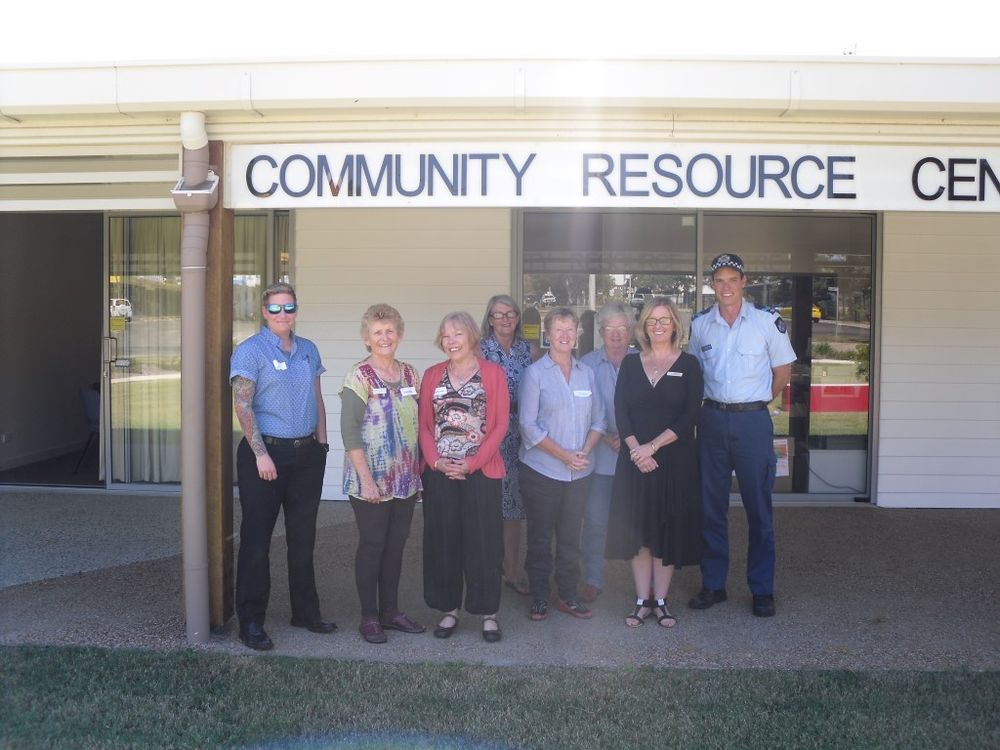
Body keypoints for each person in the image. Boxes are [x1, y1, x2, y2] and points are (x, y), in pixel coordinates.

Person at [688, 253, 796, 618]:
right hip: (713, 421)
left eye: (732, 279)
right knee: (710, 508)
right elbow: (694, 374)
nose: (726, 286)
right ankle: (714, 584)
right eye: (719, 280)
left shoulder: (767, 322)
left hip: (752, 423)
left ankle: (762, 589)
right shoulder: (701, 325)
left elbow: (782, 371)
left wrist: (760, 402)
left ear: (744, 282)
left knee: (759, 509)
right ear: (712, 285)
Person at [230, 282, 335, 651]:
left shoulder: (308, 350)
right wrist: (260, 454)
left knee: (303, 538)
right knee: (257, 542)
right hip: (265, 456)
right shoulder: (250, 351)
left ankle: (306, 612)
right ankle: (251, 621)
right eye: (275, 309)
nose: (282, 315)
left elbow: (317, 398)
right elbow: (243, 406)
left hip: (307, 456)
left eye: (288, 308)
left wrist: (322, 444)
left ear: (296, 309)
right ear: (263, 312)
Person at [605, 298, 703, 628]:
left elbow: (690, 414)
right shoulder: (632, 364)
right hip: (635, 462)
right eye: (651, 321)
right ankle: (641, 600)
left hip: (673, 462)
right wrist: (636, 450)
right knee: (639, 532)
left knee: (665, 530)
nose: (658, 326)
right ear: (644, 327)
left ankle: (661, 600)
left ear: (676, 324)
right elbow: (621, 410)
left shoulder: (688, 365)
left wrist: (652, 447)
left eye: (664, 320)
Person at [418, 312, 510, 643]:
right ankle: (449, 609)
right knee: (444, 540)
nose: (451, 341)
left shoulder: (493, 373)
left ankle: (488, 613)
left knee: (484, 543)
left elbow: (500, 425)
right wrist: (436, 462)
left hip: (481, 472)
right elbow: (425, 426)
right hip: (441, 473)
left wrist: (471, 464)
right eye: (445, 336)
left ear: (471, 336)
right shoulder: (431, 376)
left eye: (457, 334)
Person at [340, 304, 426, 644]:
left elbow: (419, 425)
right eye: (378, 333)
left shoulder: (410, 375)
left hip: (404, 479)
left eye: (390, 331)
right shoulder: (358, 376)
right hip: (370, 479)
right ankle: (369, 616)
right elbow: (349, 430)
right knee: (373, 544)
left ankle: (390, 611)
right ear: (366, 339)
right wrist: (365, 478)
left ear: (400, 335)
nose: (385, 337)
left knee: (396, 545)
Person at [518, 307, 606, 622]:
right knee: (541, 537)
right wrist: (564, 455)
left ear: (578, 334)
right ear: (548, 334)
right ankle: (540, 597)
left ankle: (568, 596)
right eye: (559, 329)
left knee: (571, 537)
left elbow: (599, 420)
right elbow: (528, 426)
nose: (565, 335)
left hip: (580, 472)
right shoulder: (535, 373)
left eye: (571, 329)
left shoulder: (587, 373)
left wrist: (582, 452)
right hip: (542, 471)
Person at [578, 301, 634, 604]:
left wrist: (626, 437)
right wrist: (605, 437)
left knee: (636, 521)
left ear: (631, 331)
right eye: (609, 329)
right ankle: (593, 578)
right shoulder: (585, 365)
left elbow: (652, 410)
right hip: (599, 459)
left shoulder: (643, 361)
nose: (615, 335)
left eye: (622, 328)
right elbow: (580, 412)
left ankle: (638, 580)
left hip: (636, 459)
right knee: (596, 520)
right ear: (600, 332)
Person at [479, 294, 534, 597]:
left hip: (519, 433)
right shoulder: (479, 350)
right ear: (489, 319)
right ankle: (486, 568)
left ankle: (512, 571)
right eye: (498, 314)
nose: (505, 319)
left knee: (513, 508)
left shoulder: (529, 351)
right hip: (487, 433)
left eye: (510, 314)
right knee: (486, 506)